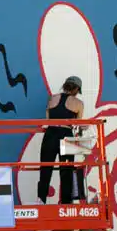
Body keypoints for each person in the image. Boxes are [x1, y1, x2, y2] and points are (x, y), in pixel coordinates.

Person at [37, 76, 85, 205]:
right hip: (66, 134)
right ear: (76, 89)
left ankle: (41, 200)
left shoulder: (52, 98)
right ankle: (66, 203)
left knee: (45, 168)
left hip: (50, 133)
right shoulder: (78, 103)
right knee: (66, 170)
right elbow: (78, 124)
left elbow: (48, 120)